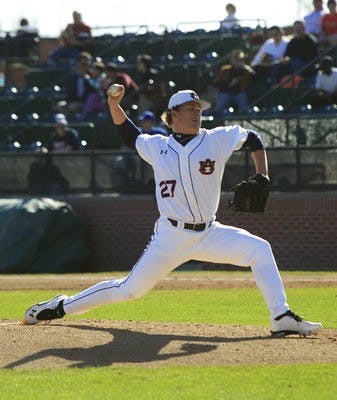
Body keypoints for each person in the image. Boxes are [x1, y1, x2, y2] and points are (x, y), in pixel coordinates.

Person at [23, 86, 323, 338]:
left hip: (209, 232)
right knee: (129, 291)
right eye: (190, 108)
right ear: (173, 115)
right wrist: (113, 103)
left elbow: (254, 139)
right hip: (170, 236)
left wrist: (262, 175)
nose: (197, 112)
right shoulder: (157, 146)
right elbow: (127, 133)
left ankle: (280, 316)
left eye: (199, 107)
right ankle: (61, 306)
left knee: (260, 249)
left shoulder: (216, 138)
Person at [212, 49, 255, 115]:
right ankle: (218, 117)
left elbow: (254, 78)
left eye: (240, 59)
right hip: (226, 92)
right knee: (223, 97)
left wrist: (247, 68)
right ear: (232, 60)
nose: (238, 61)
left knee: (242, 97)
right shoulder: (225, 69)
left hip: (239, 93)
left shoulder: (246, 70)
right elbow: (216, 83)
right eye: (236, 59)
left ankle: (245, 117)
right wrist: (230, 84)